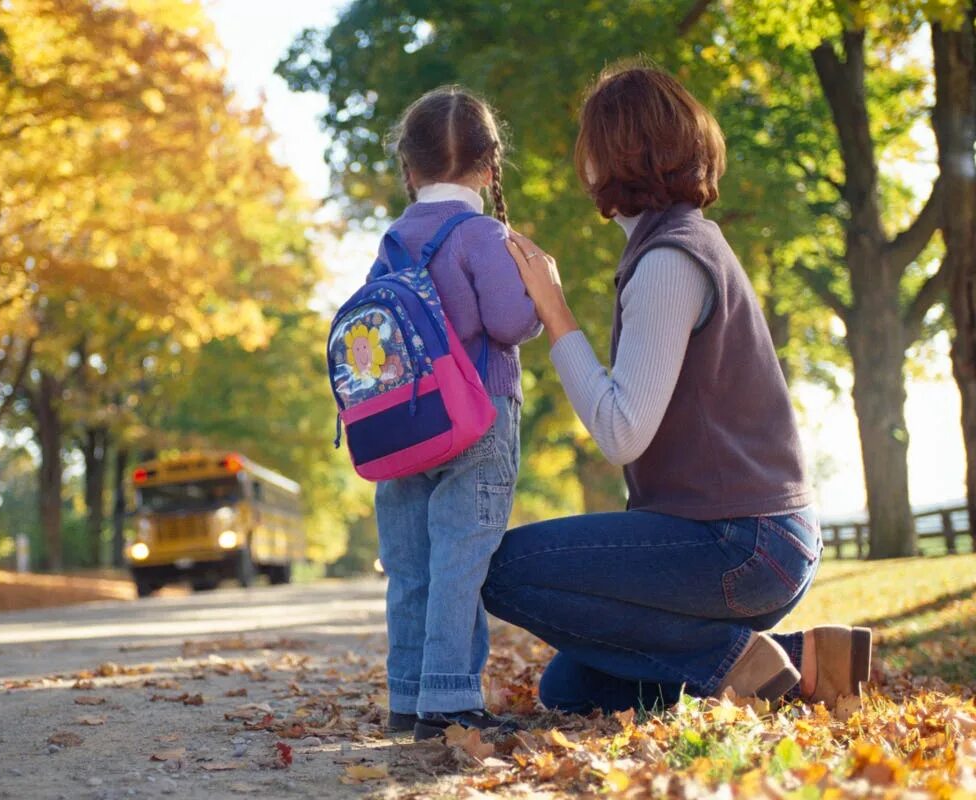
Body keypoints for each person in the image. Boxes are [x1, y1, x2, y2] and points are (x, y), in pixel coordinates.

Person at [482, 63, 870, 714]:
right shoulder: (679, 246)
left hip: (743, 546)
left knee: (500, 569)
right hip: (757, 541)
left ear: (605, 160)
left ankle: (725, 658)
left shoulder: (669, 261)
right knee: (572, 687)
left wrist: (555, 310)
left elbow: (620, 430)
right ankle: (806, 659)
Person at [372, 86, 542, 740]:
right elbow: (507, 321)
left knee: (410, 570)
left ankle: (408, 695)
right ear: (489, 166)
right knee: (459, 565)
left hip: (402, 425)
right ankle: (447, 703)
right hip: (477, 417)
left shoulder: (394, 237)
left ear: (408, 170)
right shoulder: (481, 234)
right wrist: (535, 298)